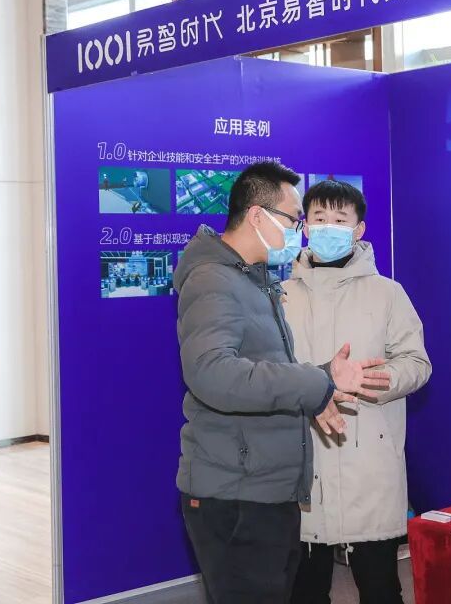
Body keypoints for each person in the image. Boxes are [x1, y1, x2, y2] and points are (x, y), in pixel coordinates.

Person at [174, 161, 391, 604]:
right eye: (294, 219)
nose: (299, 231)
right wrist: (314, 383)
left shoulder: (254, 281)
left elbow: (268, 368)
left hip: (264, 488)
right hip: (236, 494)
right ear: (257, 216)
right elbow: (213, 373)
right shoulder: (214, 280)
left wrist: (323, 379)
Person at [283, 180, 431, 604]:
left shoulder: (387, 293)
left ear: (358, 229)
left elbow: (417, 363)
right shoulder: (281, 297)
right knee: (304, 591)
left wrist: (376, 381)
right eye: (319, 218)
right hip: (303, 465)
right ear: (305, 227)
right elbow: (268, 374)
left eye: (340, 219)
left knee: (380, 588)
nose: (329, 226)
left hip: (368, 465)